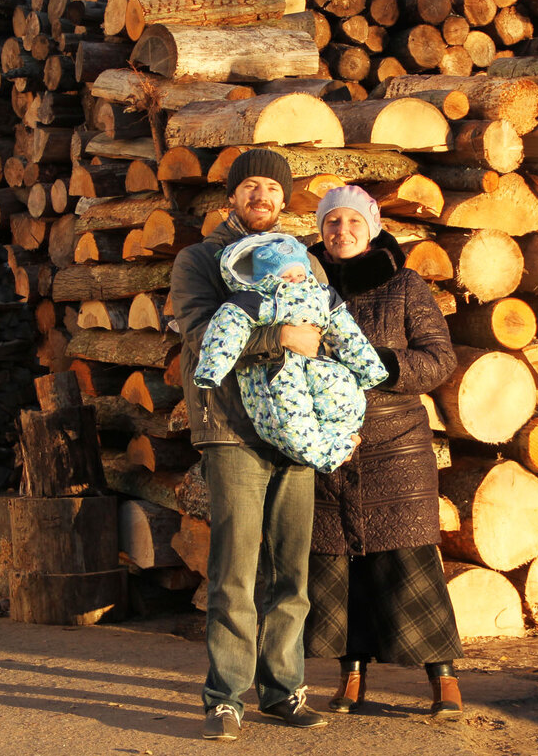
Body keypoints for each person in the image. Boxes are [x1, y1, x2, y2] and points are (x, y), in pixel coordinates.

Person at [170, 149, 329, 741]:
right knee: (235, 570)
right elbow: (200, 330)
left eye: (271, 188)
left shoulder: (305, 261)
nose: (261, 196)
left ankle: (283, 691)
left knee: (292, 570)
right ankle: (225, 696)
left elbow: (329, 333)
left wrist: (336, 420)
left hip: (295, 433)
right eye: (250, 186)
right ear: (231, 198)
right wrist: (279, 335)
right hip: (231, 429)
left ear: (285, 200)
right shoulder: (200, 260)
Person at [303, 185, 466, 719]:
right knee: (339, 565)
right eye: (331, 222)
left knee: (408, 558)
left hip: (395, 447)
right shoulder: (304, 286)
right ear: (321, 230)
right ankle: (351, 675)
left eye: (352, 222)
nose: (341, 231)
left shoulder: (403, 286)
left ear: (371, 228)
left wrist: (379, 364)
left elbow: (438, 359)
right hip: (328, 447)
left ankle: (443, 677)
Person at [193, 231, 388, 473]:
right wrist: (212, 369)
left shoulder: (321, 294)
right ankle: (325, 454)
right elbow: (225, 332)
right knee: (291, 420)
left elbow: (347, 333)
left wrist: (369, 367)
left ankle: (341, 441)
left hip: (319, 366)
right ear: (265, 278)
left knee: (345, 399)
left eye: (299, 273)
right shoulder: (256, 300)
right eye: (285, 275)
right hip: (278, 370)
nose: (295, 280)